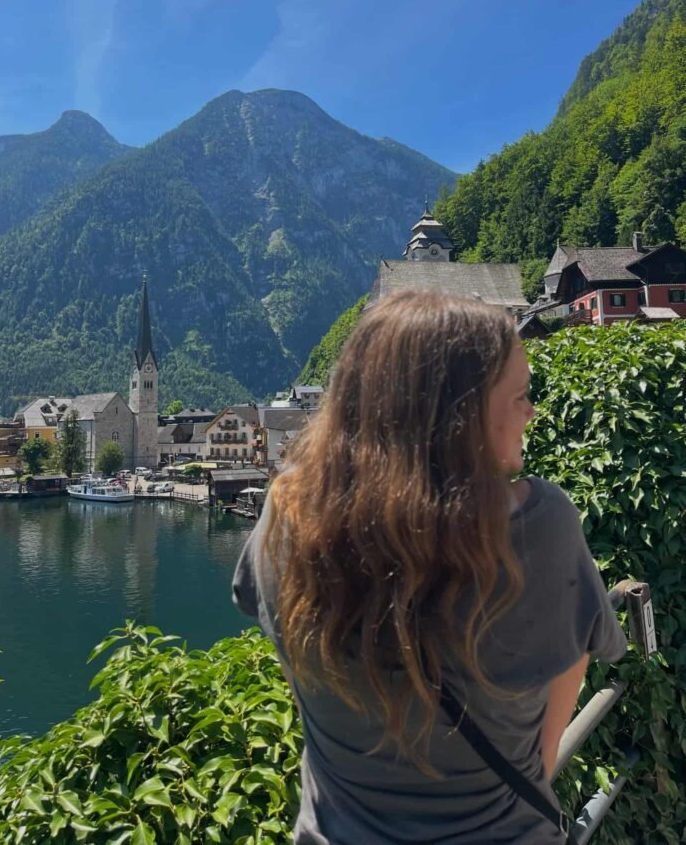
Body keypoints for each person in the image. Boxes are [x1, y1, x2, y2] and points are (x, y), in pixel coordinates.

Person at [232, 290, 627, 844]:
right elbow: (576, 654)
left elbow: (277, 626)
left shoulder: (287, 513)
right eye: (520, 396)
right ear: (462, 418)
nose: (532, 411)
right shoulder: (539, 526)